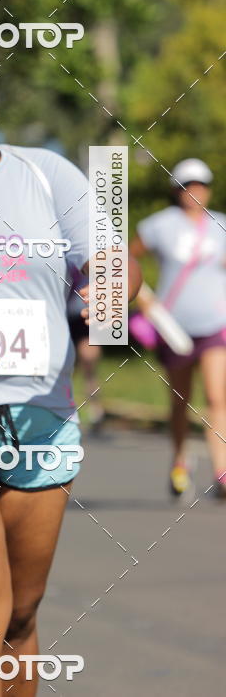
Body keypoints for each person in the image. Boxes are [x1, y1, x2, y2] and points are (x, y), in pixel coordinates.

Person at [0, 27, 141, 697]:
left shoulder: (48, 173)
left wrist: (110, 283)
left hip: (43, 419)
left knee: (21, 614)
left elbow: (107, 258)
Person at [130, 158, 226, 499]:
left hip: (215, 324)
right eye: (188, 185)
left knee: (218, 397)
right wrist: (143, 297)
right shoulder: (160, 225)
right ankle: (180, 460)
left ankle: (221, 471)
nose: (194, 192)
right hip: (175, 328)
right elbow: (124, 259)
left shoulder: (220, 226)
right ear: (177, 190)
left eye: (200, 185)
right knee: (180, 400)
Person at [67, 267, 104, 433]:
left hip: (86, 312)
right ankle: (64, 409)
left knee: (89, 362)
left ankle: (95, 409)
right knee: (63, 366)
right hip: (60, 313)